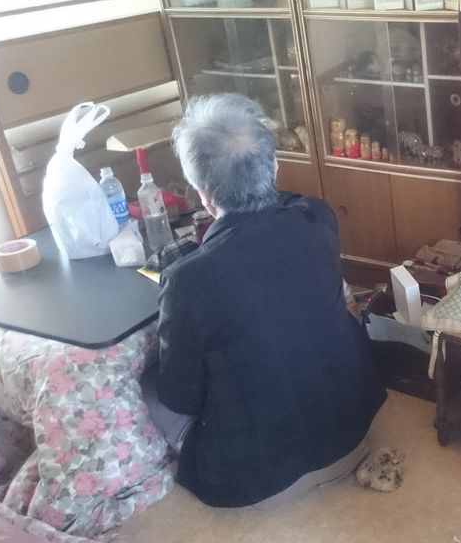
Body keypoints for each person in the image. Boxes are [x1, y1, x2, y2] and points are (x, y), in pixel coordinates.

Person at [149, 93, 386, 508]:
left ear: (202, 194)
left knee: (147, 389)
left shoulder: (189, 278)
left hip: (260, 473)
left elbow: (180, 397)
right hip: (353, 426)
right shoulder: (317, 216)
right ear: (274, 166)